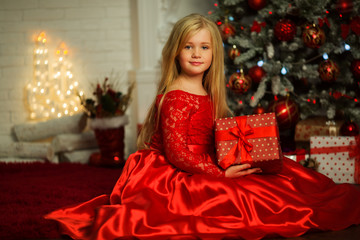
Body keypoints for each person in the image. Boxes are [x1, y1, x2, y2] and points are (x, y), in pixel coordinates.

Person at [45, 14, 360, 240]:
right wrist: (219, 173)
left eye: (204, 47)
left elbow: (214, 135)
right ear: (176, 53)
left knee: (282, 179)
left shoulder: (208, 90)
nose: (197, 53)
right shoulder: (177, 96)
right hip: (173, 171)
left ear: (214, 53)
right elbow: (178, 153)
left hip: (203, 159)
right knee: (239, 197)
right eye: (189, 47)